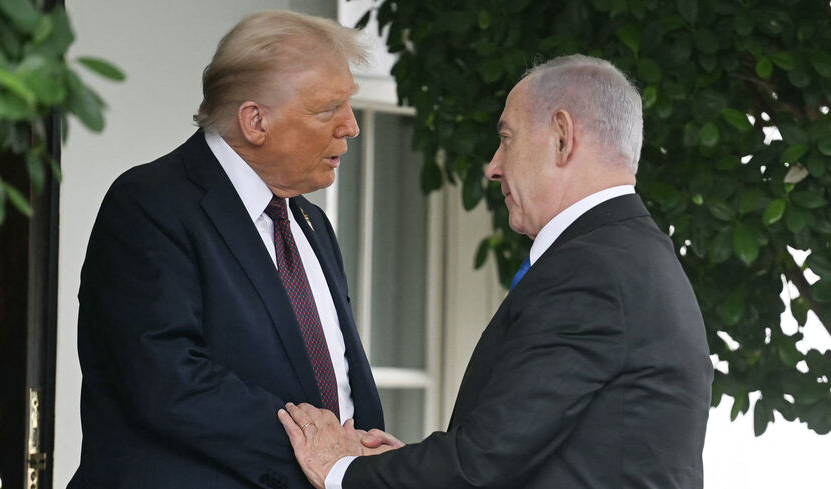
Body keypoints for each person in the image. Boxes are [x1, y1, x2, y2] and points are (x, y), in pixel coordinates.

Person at [278, 54, 714, 489]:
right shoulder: (631, 254)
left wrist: (340, 469)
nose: (493, 166)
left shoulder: (592, 270)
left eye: (507, 138)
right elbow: (532, 447)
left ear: (562, 137)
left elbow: (482, 463)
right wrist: (398, 467)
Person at [68, 10, 384, 489]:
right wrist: (325, 453)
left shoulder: (310, 221)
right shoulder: (150, 204)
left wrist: (358, 460)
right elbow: (168, 383)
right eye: (328, 109)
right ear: (255, 121)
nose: (351, 127)